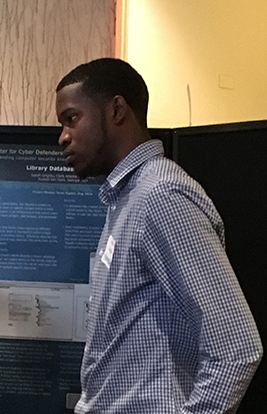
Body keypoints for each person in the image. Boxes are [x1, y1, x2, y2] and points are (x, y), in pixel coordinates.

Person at [55, 58, 262, 413]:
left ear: (117, 110)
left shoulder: (160, 196)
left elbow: (236, 347)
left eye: (72, 119)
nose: (63, 137)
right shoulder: (127, 198)